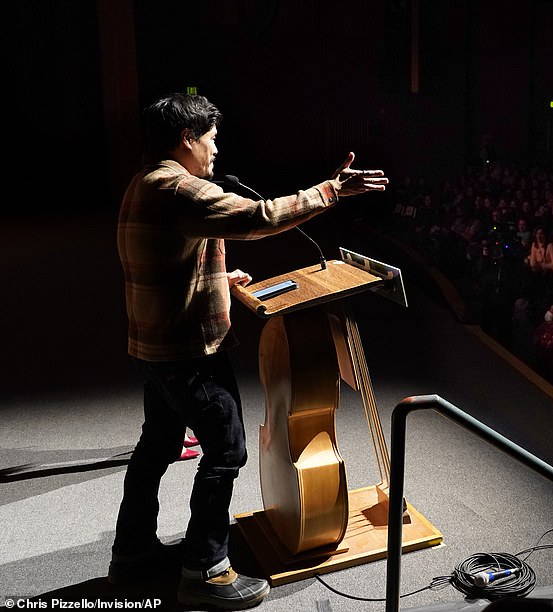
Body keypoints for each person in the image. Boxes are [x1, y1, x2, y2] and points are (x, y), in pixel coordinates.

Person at [109, 93, 388, 610]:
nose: (215, 150)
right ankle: (207, 572)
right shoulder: (178, 187)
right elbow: (260, 217)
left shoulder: (141, 182)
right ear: (187, 139)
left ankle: (131, 554)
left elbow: (167, 260)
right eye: (211, 139)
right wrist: (330, 190)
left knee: (157, 446)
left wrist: (216, 276)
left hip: (152, 346)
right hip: (185, 351)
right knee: (226, 448)